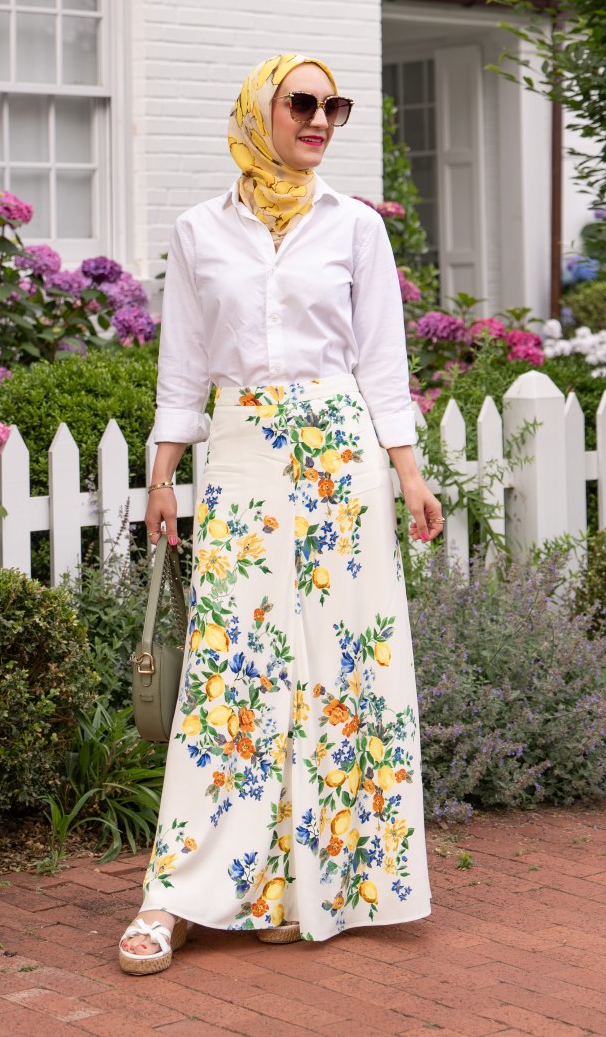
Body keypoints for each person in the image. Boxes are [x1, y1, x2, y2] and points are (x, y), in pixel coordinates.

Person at [118, 53, 442, 975]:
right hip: (243, 449)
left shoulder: (355, 226)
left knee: (344, 667)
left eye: (333, 106)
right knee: (234, 666)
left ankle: (305, 885)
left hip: (343, 457)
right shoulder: (199, 229)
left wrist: (409, 473)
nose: (319, 119)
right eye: (301, 102)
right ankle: (178, 894)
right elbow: (183, 363)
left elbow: (382, 362)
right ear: (258, 110)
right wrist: (162, 474)